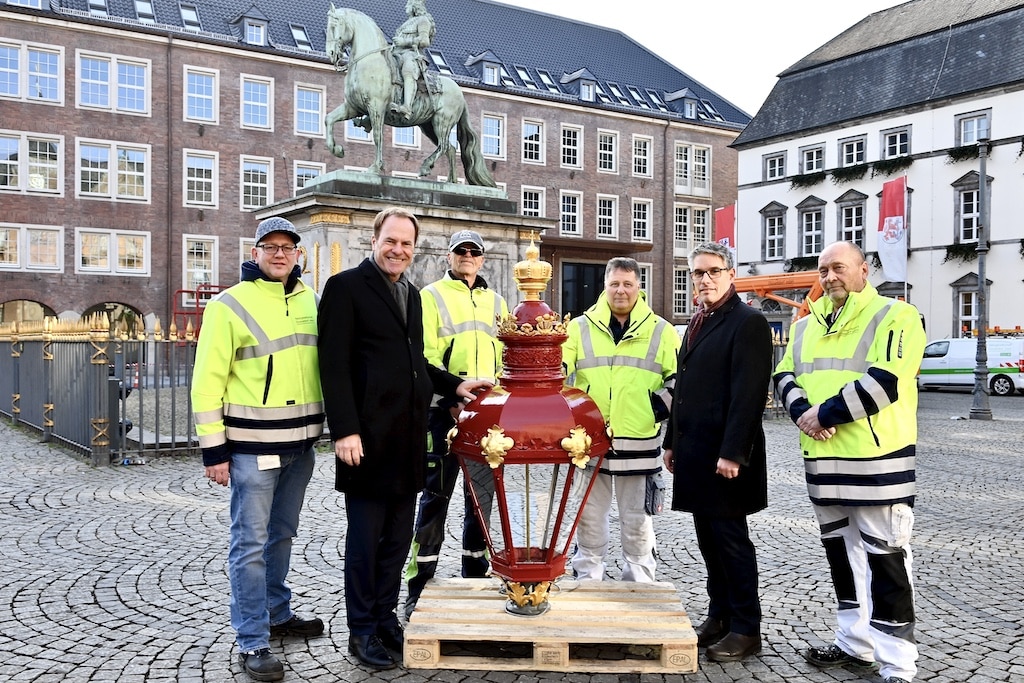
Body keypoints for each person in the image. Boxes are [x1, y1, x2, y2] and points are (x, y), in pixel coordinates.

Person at [317, 207, 489, 671]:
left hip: (408, 437)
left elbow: (416, 362)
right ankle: (361, 630)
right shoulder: (345, 288)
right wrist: (345, 430)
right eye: (391, 241)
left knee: (396, 539)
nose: (398, 250)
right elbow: (332, 366)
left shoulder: (410, 295)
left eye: (407, 244)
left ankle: (386, 617)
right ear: (375, 240)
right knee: (366, 539)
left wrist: (454, 384)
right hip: (366, 439)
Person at [773, 241, 925, 683]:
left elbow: (887, 380)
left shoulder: (895, 315)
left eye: (838, 267)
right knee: (842, 556)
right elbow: (783, 373)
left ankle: (898, 663)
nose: (829, 276)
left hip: (878, 462)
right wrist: (805, 412)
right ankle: (854, 643)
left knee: (888, 561)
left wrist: (823, 413)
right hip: (824, 461)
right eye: (823, 270)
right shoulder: (804, 326)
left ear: (863, 270)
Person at [191, 217, 326, 683]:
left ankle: (277, 612)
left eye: (288, 247)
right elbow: (206, 382)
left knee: (282, 536)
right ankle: (253, 639)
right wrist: (214, 451)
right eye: (271, 247)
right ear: (255, 252)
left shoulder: (309, 300)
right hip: (250, 449)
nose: (280, 254)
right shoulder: (227, 305)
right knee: (249, 545)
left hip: (301, 447)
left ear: (298, 255)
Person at [662, 242, 772, 662]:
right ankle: (719, 615)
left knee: (731, 543)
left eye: (713, 271)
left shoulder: (748, 322)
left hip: (725, 459)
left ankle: (746, 628)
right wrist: (672, 441)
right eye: (697, 273)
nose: (704, 279)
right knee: (708, 540)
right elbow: (684, 387)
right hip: (696, 453)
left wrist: (732, 453)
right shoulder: (698, 320)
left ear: (730, 274)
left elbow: (748, 395)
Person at [403, 229, 510, 619]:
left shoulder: (496, 301)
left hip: (486, 420)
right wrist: (450, 399)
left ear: (482, 259)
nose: (467, 256)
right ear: (449, 256)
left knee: (481, 502)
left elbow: (504, 359)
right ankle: (420, 583)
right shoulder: (429, 296)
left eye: (474, 251)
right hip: (443, 414)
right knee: (436, 498)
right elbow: (423, 357)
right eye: (460, 250)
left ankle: (475, 578)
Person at [562, 257, 679, 583]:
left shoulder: (662, 331)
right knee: (589, 517)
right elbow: (558, 373)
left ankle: (640, 581)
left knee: (637, 519)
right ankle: (588, 578)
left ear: (638, 286)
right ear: (605, 285)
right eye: (614, 284)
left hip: (640, 438)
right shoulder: (578, 328)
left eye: (627, 284)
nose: (621, 290)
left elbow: (679, 380)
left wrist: (655, 409)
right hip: (589, 442)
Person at [391, 0, 435, 120]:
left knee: (408, 69)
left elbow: (425, 41)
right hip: (396, 53)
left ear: (415, 6)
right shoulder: (405, 24)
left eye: (408, 4)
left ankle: (407, 107)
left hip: (412, 55)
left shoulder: (423, 20)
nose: (406, 6)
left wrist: (405, 42)